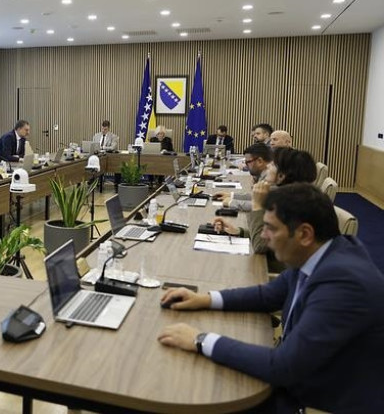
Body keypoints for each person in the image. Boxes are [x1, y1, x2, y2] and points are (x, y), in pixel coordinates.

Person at [158, 183, 384, 413]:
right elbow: (268, 295)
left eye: (271, 228)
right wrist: (204, 299)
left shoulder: (344, 284)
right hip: (304, 377)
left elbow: (283, 366)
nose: (264, 236)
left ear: (305, 234)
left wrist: (200, 339)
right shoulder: (320, 253)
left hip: (319, 400)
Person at [213, 147, 317, 273]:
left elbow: (260, 246)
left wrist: (257, 205)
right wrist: (240, 232)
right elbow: (273, 235)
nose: (267, 166)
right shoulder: (294, 196)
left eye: (272, 165)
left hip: (274, 272)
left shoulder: (289, 204)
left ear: (281, 176)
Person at [212, 143, 272, 211]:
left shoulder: (270, 177)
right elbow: (255, 197)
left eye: (248, 162)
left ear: (260, 161)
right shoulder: (264, 174)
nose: (246, 166)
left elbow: (261, 205)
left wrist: (231, 202)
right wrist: (231, 195)